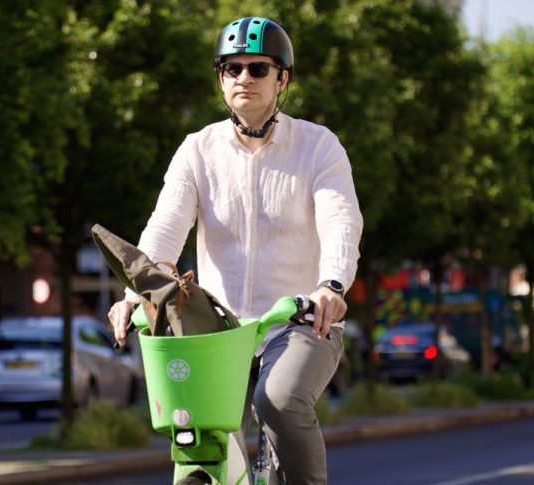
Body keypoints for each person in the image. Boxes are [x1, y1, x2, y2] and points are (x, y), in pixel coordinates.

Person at [107, 16, 362, 484]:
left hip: (301, 321)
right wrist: (131, 295)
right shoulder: (197, 150)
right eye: (231, 69)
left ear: (282, 78)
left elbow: (340, 220)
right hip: (219, 330)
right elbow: (165, 228)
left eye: (258, 69)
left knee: (278, 400)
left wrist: (331, 285)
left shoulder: (318, 147)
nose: (244, 78)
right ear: (221, 78)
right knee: (194, 434)